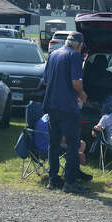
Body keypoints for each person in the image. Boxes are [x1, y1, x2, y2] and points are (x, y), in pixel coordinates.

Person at [43, 32, 90, 194]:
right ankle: (70, 182)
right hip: (68, 107)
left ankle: (53, 178)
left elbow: (47, 80)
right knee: (72, 145)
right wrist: (82, 94)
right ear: (79, 45)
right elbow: (76, 82)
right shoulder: (75, 56)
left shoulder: (54, 54)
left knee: (54, 143)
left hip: (51, 104)